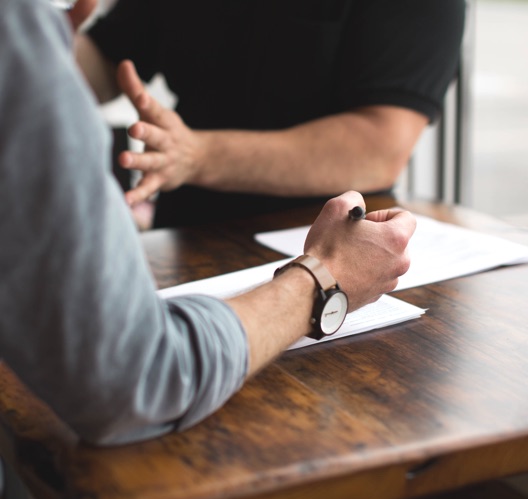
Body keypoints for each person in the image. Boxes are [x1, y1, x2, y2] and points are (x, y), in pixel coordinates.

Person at [0, 0, 416, 448]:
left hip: (343, 262)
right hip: (192, 264)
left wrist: (39, 50)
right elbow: (138, 377)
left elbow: (382, 145)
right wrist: (323, 280)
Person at [75, 0, 466, 228]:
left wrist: (196, 155)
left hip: (328, 243)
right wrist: (44, 46)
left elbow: (379, 147)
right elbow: (109, 58)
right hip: (187, 230)